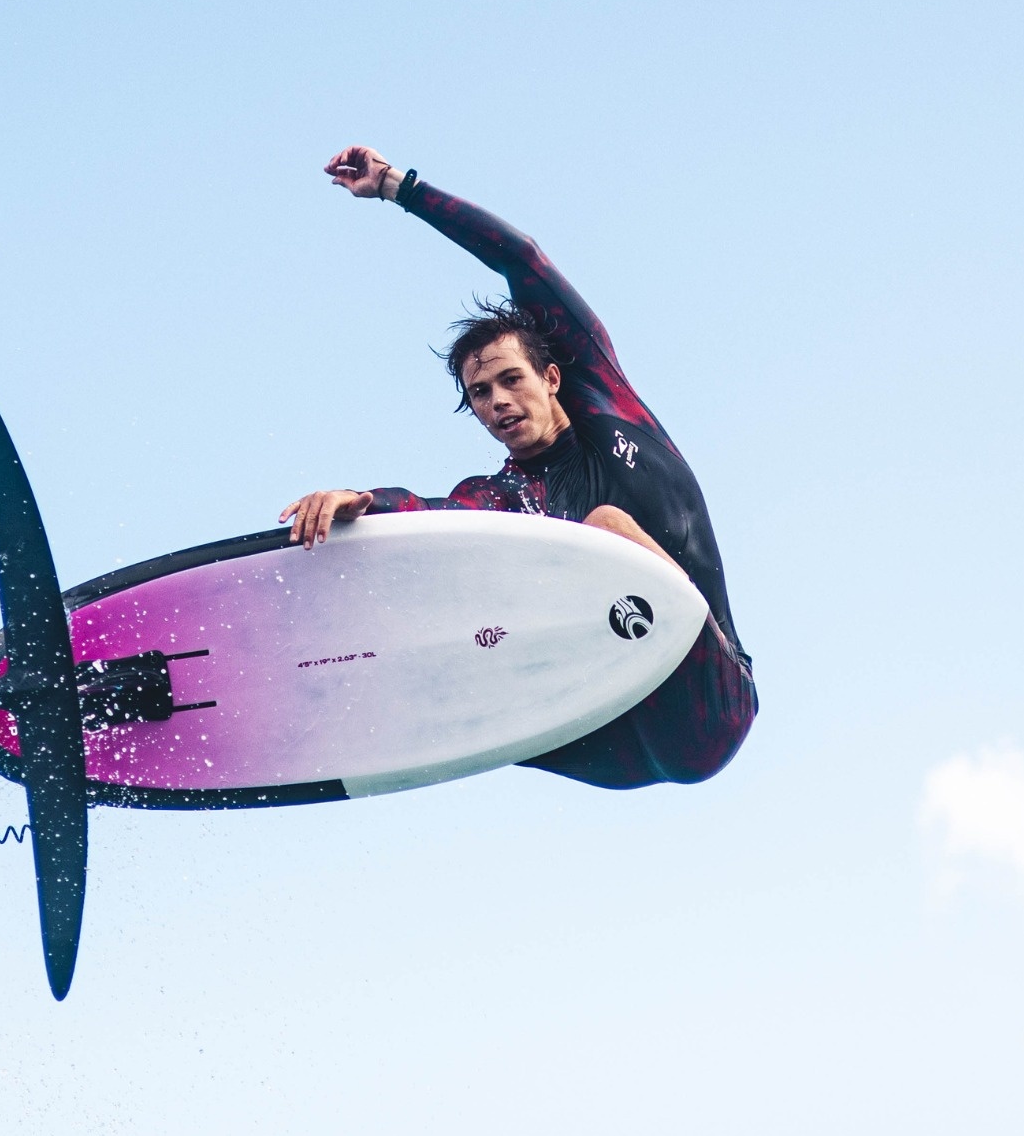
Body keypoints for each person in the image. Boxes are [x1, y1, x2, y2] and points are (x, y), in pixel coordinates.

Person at [280, 146, 755, 791]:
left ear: (552, 378)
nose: (498, 401)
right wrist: (360, 500)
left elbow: (523, 258)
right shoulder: (501, 497)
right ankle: (330, 710)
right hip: (609, 741)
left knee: (603, 527)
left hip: (705, 704)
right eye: (480, 393)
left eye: (511, 380)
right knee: (459, 624)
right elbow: (430, 516)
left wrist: (398, 187)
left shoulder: (609, 410)